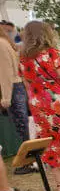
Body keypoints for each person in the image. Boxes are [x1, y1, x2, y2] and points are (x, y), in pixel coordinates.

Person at [19, 21, 60, 191]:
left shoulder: (23, 57)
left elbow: (27, 84)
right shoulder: (52, 53)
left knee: (49, 141)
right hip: (57, 101)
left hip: (38, 103)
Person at [0, 27, 31, 173]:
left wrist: (5, 97)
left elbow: (5, 73)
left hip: (12, 88)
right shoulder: (6, 42)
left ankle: (28, 163)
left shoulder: (1, 44)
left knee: (21, 127)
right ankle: (30, 162)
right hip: (16, 86)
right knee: (23, 126)